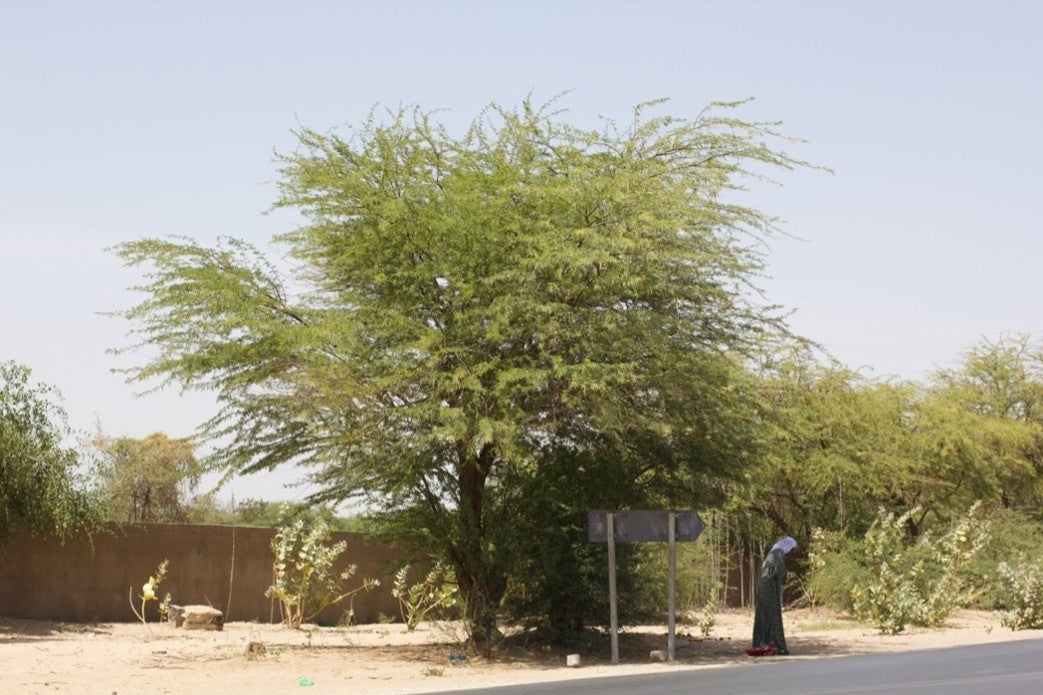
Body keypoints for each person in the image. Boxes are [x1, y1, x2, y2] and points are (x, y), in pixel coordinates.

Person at [750, 535, 797, 655]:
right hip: (769, 587)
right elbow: (779, 572)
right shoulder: (779, 553)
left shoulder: (772, 552)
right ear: (788, 546)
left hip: (763, 587)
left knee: (763, 615)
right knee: (774, 616)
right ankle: (779, 646)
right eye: (792, 549)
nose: (791, 553)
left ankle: (761, 643)